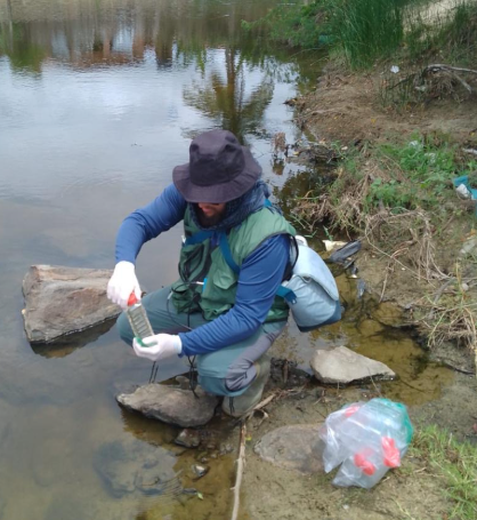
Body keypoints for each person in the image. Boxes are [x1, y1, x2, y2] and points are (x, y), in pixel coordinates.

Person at [107, 129, 296, 417]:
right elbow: (139, 222)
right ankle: (211, 344)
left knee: (216, 375)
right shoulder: (191, 196)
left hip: (254, 317)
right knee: (128, 328)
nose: (202, 205)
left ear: (238, 191)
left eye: (214, 199)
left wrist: (178, 345)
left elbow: (246, 317)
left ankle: (256, 370)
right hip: (203, 295)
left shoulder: (268, 238)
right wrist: (124, 265)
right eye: (198, 196)